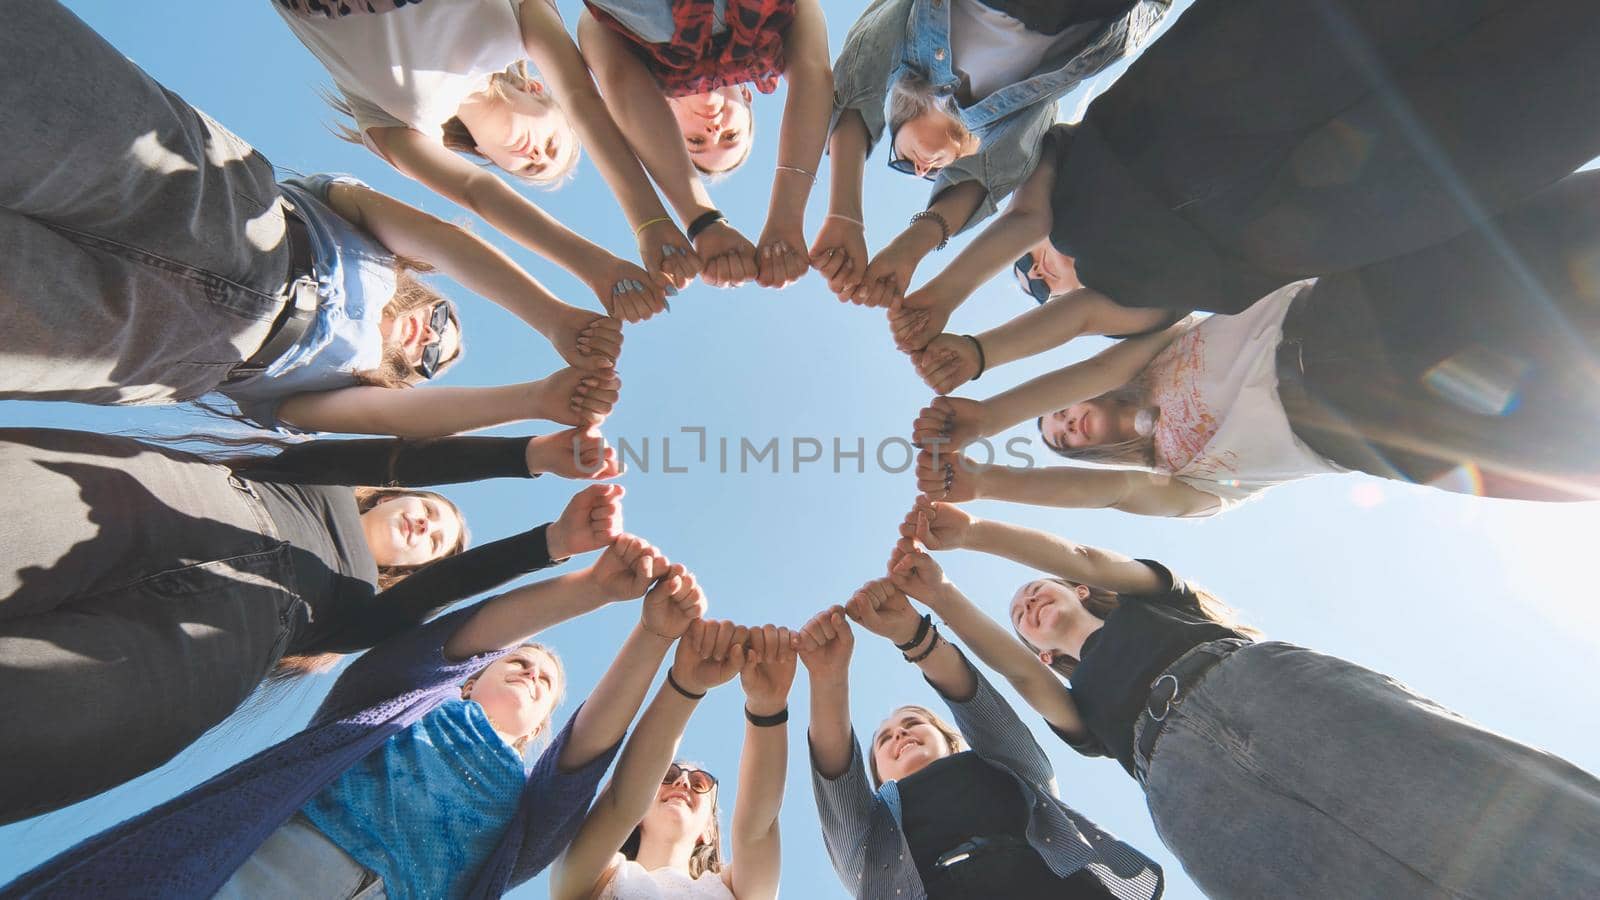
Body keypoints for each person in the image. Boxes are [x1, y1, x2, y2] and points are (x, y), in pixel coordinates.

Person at [890, 500, 1600, 897]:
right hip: (1183, 784)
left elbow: (1086, 560)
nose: (1028, 601)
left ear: (1074, 593)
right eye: (1018, 615)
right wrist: (941, 597)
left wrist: (976, 534)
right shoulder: (1077, 708)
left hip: (1259, 686)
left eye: (1035, 589)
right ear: (1043, 652)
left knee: (1480, 810)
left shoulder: (1155, 601)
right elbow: (1016, 677)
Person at [0, 4, 624, 435]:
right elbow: (448, 237)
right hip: (234, 208)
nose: (426, 339)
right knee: (35, 92)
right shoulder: (372, 231)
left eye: (431, 361)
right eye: (442, 320)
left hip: (187, 347)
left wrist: (536, 399)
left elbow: (385, 422)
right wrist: (553, 316)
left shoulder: (331, 391)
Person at [4, 534, 699, 897]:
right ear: (470, 680)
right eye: (519, 661)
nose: (532, 670)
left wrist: (653, 636)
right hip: (267, 869)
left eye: (547, 682)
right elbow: (465, 639)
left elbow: (587, 752)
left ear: (542, 725)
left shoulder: (524, 809)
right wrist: (594, 588)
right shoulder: (399, 703)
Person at [0, 427, 622, 824]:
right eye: (431, 510)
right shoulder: (314, 476)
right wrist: (528, 455)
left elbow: (446, 592)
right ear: (387, 495)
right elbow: (403, 453)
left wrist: (551, 543)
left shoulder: (357, 614)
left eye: (439, 545)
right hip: (182, 507)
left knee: (45, 720)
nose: (430, 527)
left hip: (214, 649)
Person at [909, 165, 1600, 510]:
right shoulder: (1180, 481)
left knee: (1544, 246)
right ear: (1087, 453)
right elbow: (1113, 498)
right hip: (1372, 427)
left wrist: (983, 393)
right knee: (1568, 439)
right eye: (1065, 436)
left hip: (1340, 316)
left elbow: (1088, 326)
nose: (1068, 421)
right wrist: (987, 481)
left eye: (1054, 415)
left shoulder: (1161, 348)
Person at [901, 0, 1600, 330]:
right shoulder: (1133, 303)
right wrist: (981, 352)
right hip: (1321, 215)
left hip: (1218, 95)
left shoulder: (1065, 187)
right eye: (1038, 288)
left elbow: (1023, 208)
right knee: (1529, 98)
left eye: (1026, 266)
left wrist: (941, 289)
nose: (1038, 272)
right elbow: (1081, 321)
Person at [273, 0, 702, 319]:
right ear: (537, 91)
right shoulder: (519, 21)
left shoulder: (396, 125)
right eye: (551, 144)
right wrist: (650, 220)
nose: (536, 154)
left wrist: (597, 269)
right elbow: (581, 97)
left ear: (486, 154)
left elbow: (477, 193)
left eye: (531, 167)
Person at [802, 586, 1164, 899]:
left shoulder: (1003, 767)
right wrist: (827, 677)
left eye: (913, 723)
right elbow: (836, 776)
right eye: (884, 740)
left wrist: (915, 635)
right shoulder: (873, 829)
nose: (899, 734)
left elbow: (982, 710)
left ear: (951, 741)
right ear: (879, 778)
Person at [809, 0, 1171, 307]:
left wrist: (844, 214)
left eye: (902, 158)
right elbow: (992, 171)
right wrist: (911, 247)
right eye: (935, 174)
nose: (921, 170)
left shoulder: (909, 42)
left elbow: (862, 77)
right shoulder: (1020, 117)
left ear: (902, 105)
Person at [577, 0, 833, 290]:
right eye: (730, 136)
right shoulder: (769, 50)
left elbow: (600, 42)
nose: (714, 130)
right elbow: (814, 73)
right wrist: (786, 218)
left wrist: (702, 222)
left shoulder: (645, 57)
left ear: (667, 124)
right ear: (747, 97)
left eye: (696, 140)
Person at [552, 618, 794, 900]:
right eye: (666, 777)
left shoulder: (732, 891)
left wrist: (768, 707)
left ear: (708, 829)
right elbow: (621, 802)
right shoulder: (597, 879)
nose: (682, 782)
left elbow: (757, 831)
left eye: (700, 783)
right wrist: (685, 684)